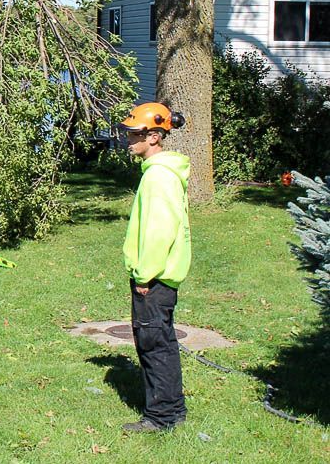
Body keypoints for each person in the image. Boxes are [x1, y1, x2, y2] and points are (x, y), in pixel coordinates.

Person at [118, 102, 191, 433]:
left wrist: (145, 274)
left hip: (154, 278)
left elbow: (159, 231)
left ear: (155, 137)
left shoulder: (159, 177)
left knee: (153, 344)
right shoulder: (159, 173)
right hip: (160, 276)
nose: (128, 140)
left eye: (134, 134)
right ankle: (173, 410)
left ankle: (161, 418)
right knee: (162, 341)